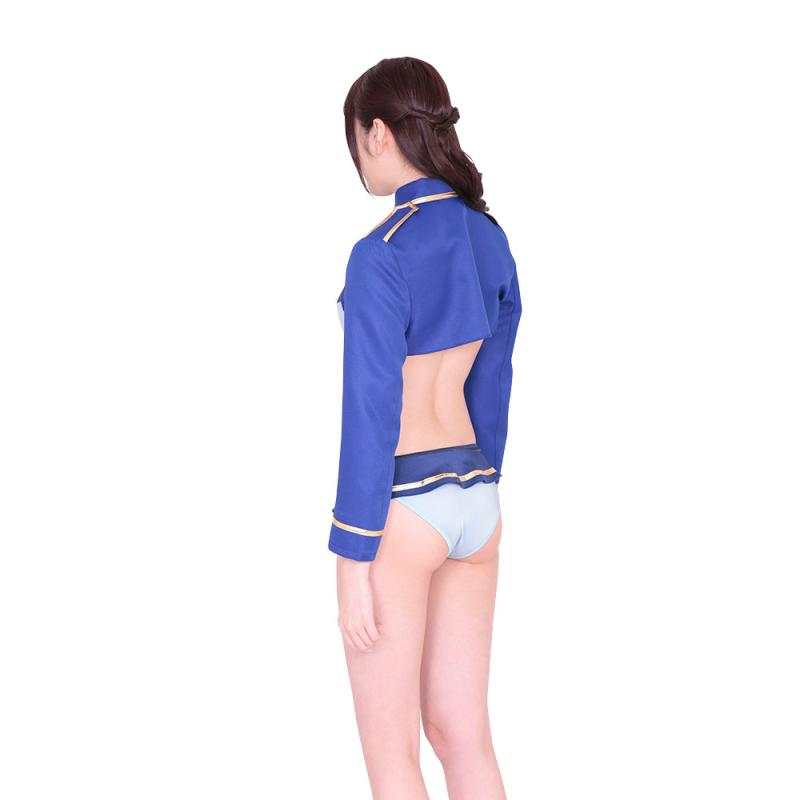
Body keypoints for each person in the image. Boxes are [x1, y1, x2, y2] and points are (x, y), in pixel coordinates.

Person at [329, 56, 522, 799]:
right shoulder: (488, 235)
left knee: (393, 758)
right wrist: (484, 482)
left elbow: (370, 409)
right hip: (477, 500)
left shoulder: (380, 253)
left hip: (403, 511)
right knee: (464, 736)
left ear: (377, 132)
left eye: (355, 139)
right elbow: (492, 380)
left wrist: (352, 555)